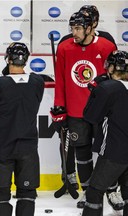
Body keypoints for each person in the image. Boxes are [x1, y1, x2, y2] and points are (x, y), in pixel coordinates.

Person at [50, 11, 116, 209]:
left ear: (90, 28)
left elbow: (115, 78)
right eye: (72, 28)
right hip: (76, 113)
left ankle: (112, 190)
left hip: (102, 112)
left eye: (78, 28)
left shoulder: (107, 46)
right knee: (83, 154)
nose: (74, 33)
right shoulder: (64, 47)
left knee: (109, 154)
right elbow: (60, 79)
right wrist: (59, 106)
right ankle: (88, 192)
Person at [0, 42, 44, 216]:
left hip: (2, 147)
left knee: (1, 195)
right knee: (27, 194)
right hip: (28, 148)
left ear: (8, 59)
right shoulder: (37, 82)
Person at [81, 50, 128, 216]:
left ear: (113, 67)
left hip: (114, 152)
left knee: (94, 191)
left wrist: (95, 91)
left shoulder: (108, 88)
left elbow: (90, 116)